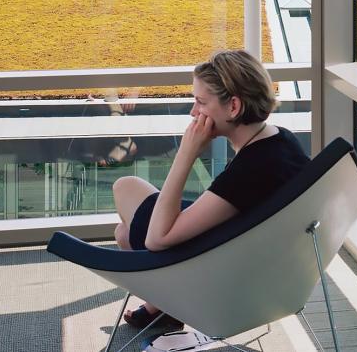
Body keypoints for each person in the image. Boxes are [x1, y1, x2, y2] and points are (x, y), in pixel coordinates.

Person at [111, 50, 309, 331]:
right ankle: (161, 308)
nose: (193, 112)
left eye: (201, 102)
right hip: (257, 256)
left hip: (223, 272)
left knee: (125, 188)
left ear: (233, 107)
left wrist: (186, 153)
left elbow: (157, 239)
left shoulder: (250, 170)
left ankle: (168, 304)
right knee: (123, 231)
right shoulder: (281, 141)